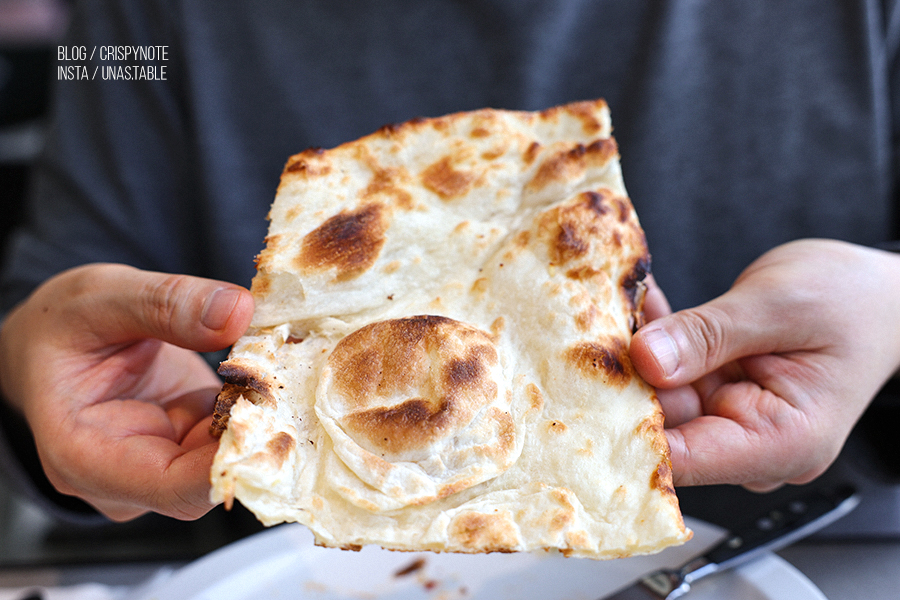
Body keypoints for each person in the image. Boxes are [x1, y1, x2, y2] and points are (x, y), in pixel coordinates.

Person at [1, 0, 900, 522]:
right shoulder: (129, 29)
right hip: (275, 569)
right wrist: (34, 368)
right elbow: (54, 291)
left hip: (812, 558)